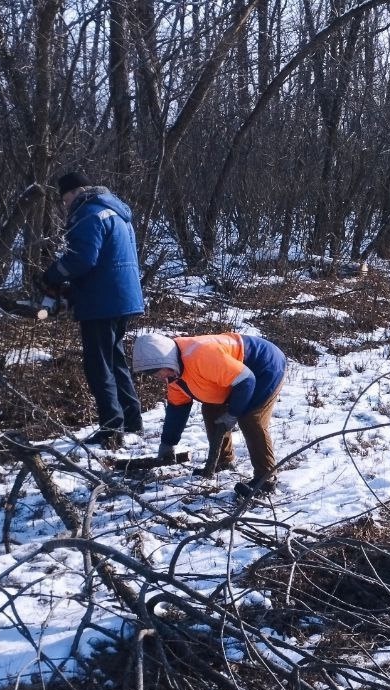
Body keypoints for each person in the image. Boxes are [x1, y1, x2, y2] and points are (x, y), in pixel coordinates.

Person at [39, 171, 145, 449]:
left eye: (65, 199)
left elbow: (83, 259)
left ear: (76, 192)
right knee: (114, 359)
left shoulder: (88, 213)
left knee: (98, 364)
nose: (65, 205)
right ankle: (132, 420)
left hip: (102, 300)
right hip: (123, 297)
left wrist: (52, 275)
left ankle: (111, 427)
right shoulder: (116, 212)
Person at [131, 333, 287, 498]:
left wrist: (233, 413)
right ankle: (222, 460)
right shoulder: (175, 376)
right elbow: (177, 409)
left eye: (158, 372)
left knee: (250, 418)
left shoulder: (201, 356)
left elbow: (246, 380)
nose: (159, 377)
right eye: (154, 375)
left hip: (264, 366)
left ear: (166, 360)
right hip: (236, 376)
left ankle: (266, 478)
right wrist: (168, 443)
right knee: (211, 409)